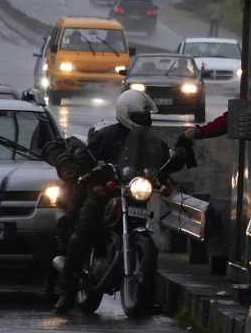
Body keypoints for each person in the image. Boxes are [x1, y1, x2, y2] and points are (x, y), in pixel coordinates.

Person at [48, 89, 195, 315]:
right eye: (140, 117)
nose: (145, 121)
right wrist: (92, 179)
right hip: (104, 194)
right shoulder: (105, 136)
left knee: (146, 238)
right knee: (83, 235)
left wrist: (179, 154)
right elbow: (84, 159)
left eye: (147, 117)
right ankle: (66, 292)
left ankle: (145, 293)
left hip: (133, 195)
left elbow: (164, 161)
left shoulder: (152, 141)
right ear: (126, 114)